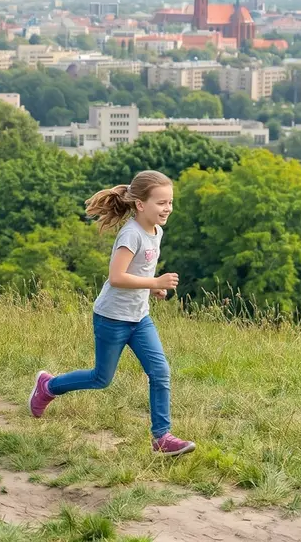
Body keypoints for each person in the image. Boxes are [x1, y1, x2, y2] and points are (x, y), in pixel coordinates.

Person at [27, 170, 196, 456]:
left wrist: (151, 288)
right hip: (112, 318)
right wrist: (154, 282)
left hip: (139, 318)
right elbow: (117, 277)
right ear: (141, 205)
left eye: (170, 202)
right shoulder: (130, 234)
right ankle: (48, 385)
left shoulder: (157, 230)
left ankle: (162, 437)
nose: (168, 208)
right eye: (161, 203)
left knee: (160, 371)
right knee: (101, 378)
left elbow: (139, 269)